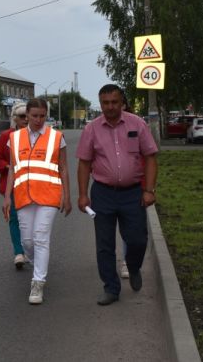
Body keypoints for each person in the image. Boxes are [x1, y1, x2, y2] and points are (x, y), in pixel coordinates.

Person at [76, 84, 158, 306]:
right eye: (105, 103)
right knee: (104, 244)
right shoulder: (91, 129)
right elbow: (84, 163)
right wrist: (83, 195)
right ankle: (111, 288)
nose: (110, 107)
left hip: (133, 193)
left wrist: (149, 190)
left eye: (114, 102)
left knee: (137, 239)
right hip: (103, 193)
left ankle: (133, 266)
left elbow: (150, 157)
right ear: (100, 103)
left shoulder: (137, 124)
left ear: (122, 102)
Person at [3, 98, 71, 304]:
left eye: (42, 116)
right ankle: (36, 263)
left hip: (49, 195)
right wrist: (7, 196)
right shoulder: (14, 139)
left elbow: (64, 168)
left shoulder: (56, 137)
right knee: (27, 242)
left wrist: (66, 195)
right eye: (34, 116)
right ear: (27, 115)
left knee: (41, 237)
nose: (38, 120)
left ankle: (38, 283)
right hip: (23, 196)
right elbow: (13, 170)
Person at [0, 103, 28, 270]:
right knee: (14, 217)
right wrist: (7, 167)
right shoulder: (7, 136)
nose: (26, 119)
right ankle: (18, 252)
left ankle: (30, 249)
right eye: (22, 117)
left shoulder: (37, 136)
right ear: (15, 118)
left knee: (30, 219)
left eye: (28, 115)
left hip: (33, 184)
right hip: (12, 184)